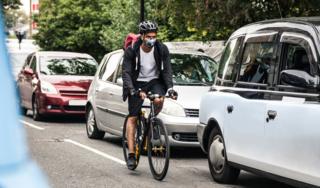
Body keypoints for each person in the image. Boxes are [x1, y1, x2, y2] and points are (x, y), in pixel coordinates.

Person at [122, 20, 178, 170]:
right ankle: (132, 155)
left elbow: (167, 70)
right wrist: (133, 90)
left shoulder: (161, 49)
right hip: (136, 82)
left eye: (154, 36)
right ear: (142, 36)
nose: (152, 39)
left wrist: (170, 88)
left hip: (154, 81)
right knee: (133, 117)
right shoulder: (132, 51)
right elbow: (126, 73)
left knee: (159, 100)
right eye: (149, 36)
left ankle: (151, 120)